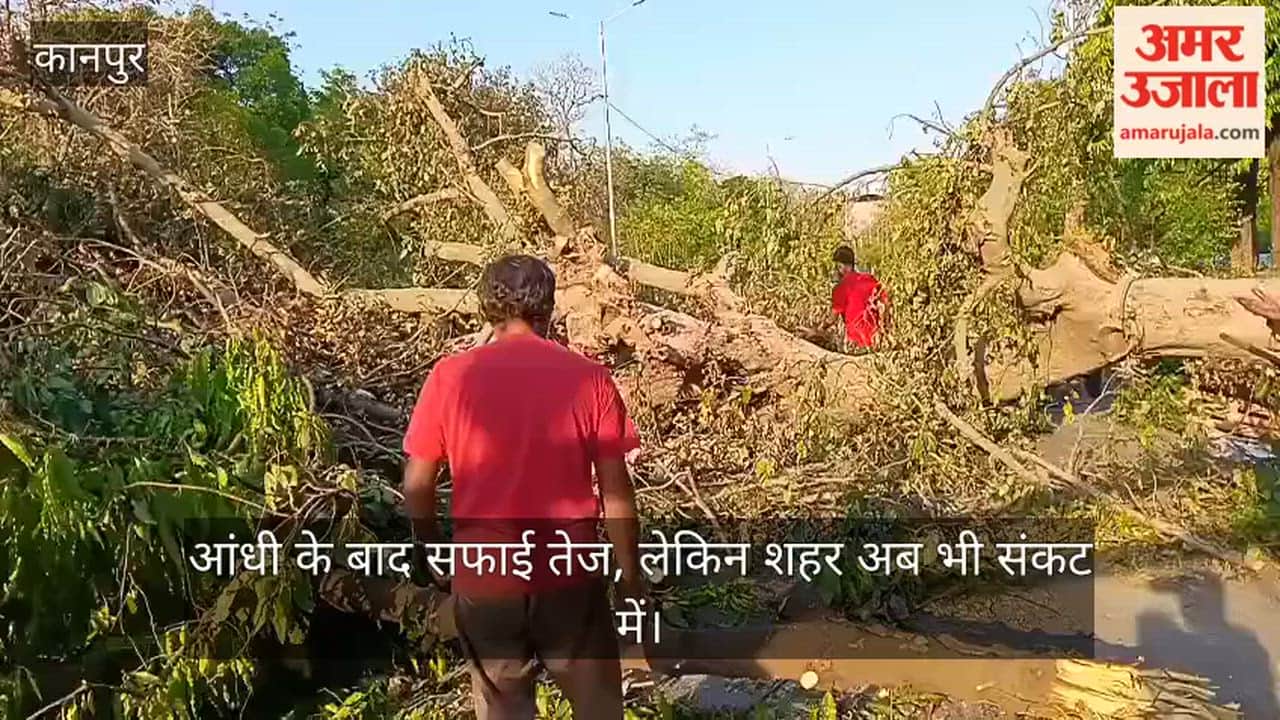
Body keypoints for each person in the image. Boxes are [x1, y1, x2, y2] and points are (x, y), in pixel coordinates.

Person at [401, 254, 643, 720]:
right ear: (548, 310)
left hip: (486, 573)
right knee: (599, 707)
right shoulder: (590, 379)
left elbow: (416, 486)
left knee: (505, 709)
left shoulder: (450, 377)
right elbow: (616, 492)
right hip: (568, 572)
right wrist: (630, 576)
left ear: (487, 310)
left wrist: (433, 551)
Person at [830, 245, 886, 351]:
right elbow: (885, 303)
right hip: (877, 342)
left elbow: (832, 319)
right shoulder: (871, 279)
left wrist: (816, 330)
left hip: (856, 344)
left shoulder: (841, 288)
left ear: (841, 267)